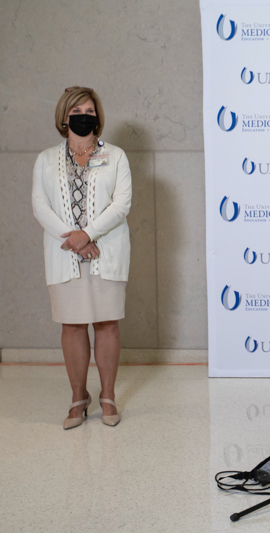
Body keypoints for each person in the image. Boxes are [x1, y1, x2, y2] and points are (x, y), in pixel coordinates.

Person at [32, 87, 132, 428]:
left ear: (97, 116)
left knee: (106, 322)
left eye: (89, 109)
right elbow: (40, 206)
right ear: (64, 117)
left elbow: (121, 204)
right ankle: (78, 398)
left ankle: (107, 397)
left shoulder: (115, 156)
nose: (84, 115)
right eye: (77, 110)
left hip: (107, 251)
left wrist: (87, 235)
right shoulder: (46, 159)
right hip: (65, 255)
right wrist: (75, 240)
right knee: (72, 325)